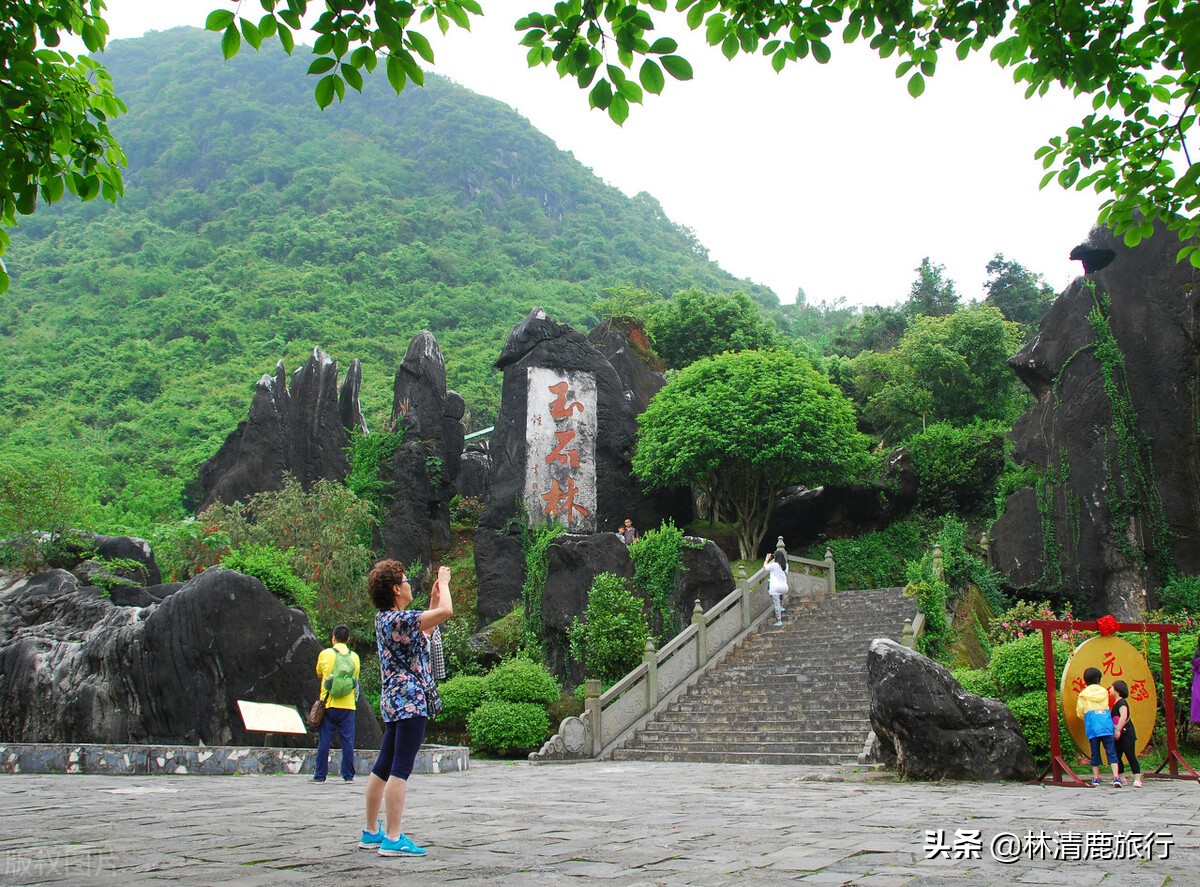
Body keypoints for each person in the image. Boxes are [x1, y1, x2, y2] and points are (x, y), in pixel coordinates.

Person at [359, 560, 454, 857]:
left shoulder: (387, 619)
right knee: (400, 770)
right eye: (405, 579)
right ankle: (393, 836)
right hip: (410, 701)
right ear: (396, 589)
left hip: (393, 701)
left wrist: (435, 599)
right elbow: (446, 613)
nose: (410, 583)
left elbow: (423, 630)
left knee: (383, 766)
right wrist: (445, 584)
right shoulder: (398, 620)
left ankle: (371, 831)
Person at [313, 624, 361, 784]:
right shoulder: (354, 657)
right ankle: (348, 776)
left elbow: (319, 673)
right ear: (348, 639)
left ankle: (320, 776)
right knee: (347, 741)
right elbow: (355, 678)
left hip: (328, 704)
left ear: (333, 638)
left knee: (324, 740)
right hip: (348, 706)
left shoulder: (325, 654)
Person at [1076, 666, 1121, 788]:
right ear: (1099, 679)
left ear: (1085, 680)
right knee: (1111, 752)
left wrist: (1086, 717)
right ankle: (1116, 777)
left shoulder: (1083, 695)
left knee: (1094, 753)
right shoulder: (1104, 692)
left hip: (1093, 726)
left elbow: (1080, 712)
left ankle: (1096, 778)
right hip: (1106, 725)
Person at [1110, 680, 1142, 788]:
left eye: (1111, 688)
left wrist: (1118, 729)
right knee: (1117, 756)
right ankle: (1122, 777)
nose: (1110, 689)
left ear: (1117, 691)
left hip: (1126, 732)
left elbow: (1123, 716)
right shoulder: (1115, 703)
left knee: (1130, 755)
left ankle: (1137, 778)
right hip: (1118, 733)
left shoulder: (1122, 702)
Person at [764, 552, 788, 627]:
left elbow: (765, 567)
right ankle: (782, 606)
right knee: (780, 594)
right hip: (785, 587)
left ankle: (779, 620)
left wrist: (767, 559)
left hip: (776, 587)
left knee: (776, 603)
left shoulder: (774, 565)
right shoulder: (786, 565)